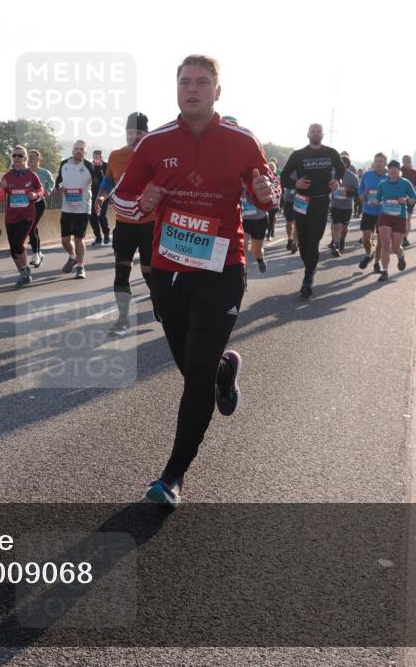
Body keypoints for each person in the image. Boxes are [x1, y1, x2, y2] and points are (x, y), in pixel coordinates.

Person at [112, 54, 281, 507]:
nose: (192, 88)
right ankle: (226, 369)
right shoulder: (154, 144)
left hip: (223, 269)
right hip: (168, 270)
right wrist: (142, 205)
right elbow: (121, 202)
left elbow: (266, 192)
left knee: (196, 375)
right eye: (185, 81)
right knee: (193, 367)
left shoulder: (243, 141)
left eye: (202, 82)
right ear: (176, 89)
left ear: (217, 92)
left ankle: (171, 477)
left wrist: (267, 197)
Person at [94, 111, 153, 335]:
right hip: (125, 223)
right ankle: (123, 319)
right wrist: (101, 196)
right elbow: (109, 180)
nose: (135, 136)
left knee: (149, 271)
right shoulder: (117, 155)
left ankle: (163, 307)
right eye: (131, 132)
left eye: (139, 132)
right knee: (121, 271)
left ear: (147, 133)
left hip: (151, 222)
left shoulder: (156, 155)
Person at [280, 124, 344, 298]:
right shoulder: (298, 155)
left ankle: (308, 279)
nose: (315, 134)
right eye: (312, 131)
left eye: (318, 131)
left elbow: (341, 169)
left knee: (314, 239)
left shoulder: (331, 153)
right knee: (303, 241)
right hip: (302, 201)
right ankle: (309, 269)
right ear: (307, 134)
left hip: (321, 201)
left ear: (322, 135)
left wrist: (337, 180)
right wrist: (295, 184)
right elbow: (283, 176)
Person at [0, 146, 44, 288]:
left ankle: (25, 271)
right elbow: (0, 198)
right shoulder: (7, 176)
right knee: (13, 248)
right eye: (14, 156)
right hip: (11, 216)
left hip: (27, 215)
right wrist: (2, 188)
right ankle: (23, 273)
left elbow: (40, 190)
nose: (17, 158)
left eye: (20, 156)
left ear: (25, 158)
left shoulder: (31, 175)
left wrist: (35, 195)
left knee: (18, 242)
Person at [55, 140, 95, 279]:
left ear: (85, 152)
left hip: (83, 209)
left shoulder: (90, 166)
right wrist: (58, 187)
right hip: (67, 208)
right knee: (65, 240)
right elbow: (58, 180)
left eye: (81, 149)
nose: (79, 151)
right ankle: (72, 256)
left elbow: (98, 183)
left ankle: (80, 266)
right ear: (72, 150)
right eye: (76, 148)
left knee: (79, 239)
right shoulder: (64, 164)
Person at [374, 159, 416, 282]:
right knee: (385, 243)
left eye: (395, 172)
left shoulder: (405, 183)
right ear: (387, 171)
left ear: (399, 171)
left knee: (395, 247)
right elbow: (377, 199)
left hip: (399, 217)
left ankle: (401, 255)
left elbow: (415, 199)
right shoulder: (382, 184)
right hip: (385, 216)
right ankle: (385, 271)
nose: (393, 174)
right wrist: (373, 202)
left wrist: (405, 200)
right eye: (390, 172)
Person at [357, 153, 388, 274]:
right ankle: (368, 254)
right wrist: (361, 195)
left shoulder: (389, 177)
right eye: (376, 161)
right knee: (365, 238)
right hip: (368, 211)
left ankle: (376, 263)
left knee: (381, 240)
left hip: (383, 213)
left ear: (385, 162)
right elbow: (360, 189)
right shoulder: (367, 174)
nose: (378, 163)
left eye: (380, 161)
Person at [27, 149, 55, 268]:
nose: (31, 159)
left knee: (31, 227)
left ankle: (36, 254)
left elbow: (52, 183)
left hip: (39, 203)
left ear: (39, 159)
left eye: (34, 157)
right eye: (29, 157)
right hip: (27, 204)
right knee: (33, 228)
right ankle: (39, 253)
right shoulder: (25, 172)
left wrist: (48, 191)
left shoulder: (44, 172)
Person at [328, 153, 359, 256]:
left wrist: (348, 192)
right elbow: (326, 187)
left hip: (347, 206)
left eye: (341, 163)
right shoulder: (332, 175)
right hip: (335, 205)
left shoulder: (352, 176)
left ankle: (342, 240)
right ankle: (336, 246)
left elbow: (358, 192)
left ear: (346, 165)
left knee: (344, 227)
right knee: (336, 226)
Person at [242, 186, 269, 273]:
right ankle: (244, 274)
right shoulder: (238, 179)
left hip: (259, 219)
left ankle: (260, 259)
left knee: (256, 249)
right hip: (244, 219)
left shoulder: (258, 179)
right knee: (243, 246)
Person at [89, 149, 111, 246]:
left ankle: (106, 233)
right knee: (92, 218)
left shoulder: (107, 166)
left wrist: (100, 170)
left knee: (101, 216)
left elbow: (109, 180)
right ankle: (98, 237)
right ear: (93, 157)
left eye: (99, 156)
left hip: (103, 195)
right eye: (95, 156)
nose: (97, 158)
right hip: (91, 195)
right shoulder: (89, 166)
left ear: (102, 157)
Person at [400, 154, 416, 247]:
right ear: (402, 161)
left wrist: (414, 197)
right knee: (399, 218)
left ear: (411, 161)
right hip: (399, 198)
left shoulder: (414, 172)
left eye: (408, 160)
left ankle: (404, 238)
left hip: (410, 199)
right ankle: (398, 236)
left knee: (408, 218)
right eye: (405, 160)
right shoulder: (399, 171)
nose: (407, 162)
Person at [266, 158, 280, 239]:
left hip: (274, 200)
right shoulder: (265, 176)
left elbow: (279, 189)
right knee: (268, 217)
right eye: (269, 167)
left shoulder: (277, 177)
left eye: (271, 168)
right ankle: (270, 230)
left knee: (271, 217)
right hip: (266, 199)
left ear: (274, 168)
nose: (270, 169)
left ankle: (269, 233)